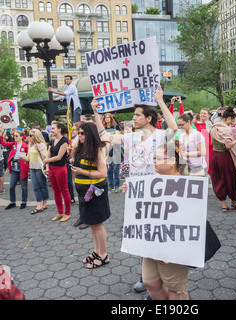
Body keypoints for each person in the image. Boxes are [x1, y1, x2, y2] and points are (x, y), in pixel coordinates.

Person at [92, 83, 178, 295]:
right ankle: (147, 278)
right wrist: (96, 112)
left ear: (148, 118)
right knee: (142, 235)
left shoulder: (160, 135)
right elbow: (105, 137)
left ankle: (164, 280)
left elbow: (174, 128)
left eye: (137, 115)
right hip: (137, 196)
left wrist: (160, 101)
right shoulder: (131, 137)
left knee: (159, 234)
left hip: (159, 194)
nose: (134, 118)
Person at [123, 142, 190, 300]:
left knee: (176, 290)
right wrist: (131, 192)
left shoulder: (186, 186)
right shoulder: (152, 182)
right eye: (153, 158)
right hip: (152, 246)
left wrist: (173, 251)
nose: (153, 161)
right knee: (150, 283)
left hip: (173, 249)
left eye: (158, 158)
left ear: (173, 161)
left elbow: (188, 222)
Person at [71, 122, 111, 269]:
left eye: (82, 133)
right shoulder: (81, 148)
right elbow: (75, 144)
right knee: (91, 223)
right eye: (78, 133)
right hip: (84, 192)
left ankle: (104, 255)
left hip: (95, 191)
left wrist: (82, 172)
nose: (79, 135)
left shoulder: (96, 149)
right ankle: (97, 250)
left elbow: (102, 173)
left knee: (97, 223)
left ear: (89, 135)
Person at [209, 107, 236, 212]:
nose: (233, 122)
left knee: (218, 178)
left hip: (215, 155)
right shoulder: (224, 129)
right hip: (224, 156)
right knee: (231, 178)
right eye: (232, 120)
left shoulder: (214, 127)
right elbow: (228, 146)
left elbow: (212, 142)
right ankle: (234, 202)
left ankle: (224, 204)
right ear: (228, 118)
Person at [44, 122, 71, 222]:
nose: (51, 131)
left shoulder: (64, 141)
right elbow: (48, 154)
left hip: (60, 169)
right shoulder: (52, 140)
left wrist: (47, 161)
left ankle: (67, 213)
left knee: (64, 191)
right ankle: (60, 212)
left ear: (59, 129)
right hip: (51, 169)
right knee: (56, 192)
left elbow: (59, 157)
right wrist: (47, 166)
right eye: (51, 129)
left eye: (53, 129)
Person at [0, 127, 29, 210]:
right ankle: (12, 202)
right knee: (11, 186)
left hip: (22, 169)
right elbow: (2, 143)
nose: (15, 137)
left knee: (24, 187)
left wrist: (28, 170)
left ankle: (24, 202)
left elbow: (29, 159)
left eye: (17, 136)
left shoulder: (26, 146)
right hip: (14, 169)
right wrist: (1, 133)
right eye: (14, 136)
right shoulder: (12, 144)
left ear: (21, 137)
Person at [20, 129, 48, 215]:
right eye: (29, 135)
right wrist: (21, 157)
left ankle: (44, 203)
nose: (29, 137)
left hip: (39, 168)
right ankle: (39, 204)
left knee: (42, 186)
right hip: (32, 168)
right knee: (35, 187)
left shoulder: (42, 144)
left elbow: (45, 157)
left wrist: (39, 149)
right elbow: (28, 158)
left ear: (36, 136)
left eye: (31, 135)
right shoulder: (30, 145)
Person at [103, 113, 122, 192]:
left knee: (116, 168)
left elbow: (117, 137)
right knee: (109, 169)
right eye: (105, 118)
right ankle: (111, 185)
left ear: (111, 118)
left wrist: (111, 145)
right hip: (106, 149)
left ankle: (117, 185)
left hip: (115, 149)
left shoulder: (116, 126)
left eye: (108, 117)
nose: (107, 119)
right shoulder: (103, 128)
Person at [195, 108, 213, 173]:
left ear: (209, 115)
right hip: (198, 149)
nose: (202, 114)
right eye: (201, 113)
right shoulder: (195, 124)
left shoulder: (212, 124)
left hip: (209, 149)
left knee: (209, 168)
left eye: (204, 113)